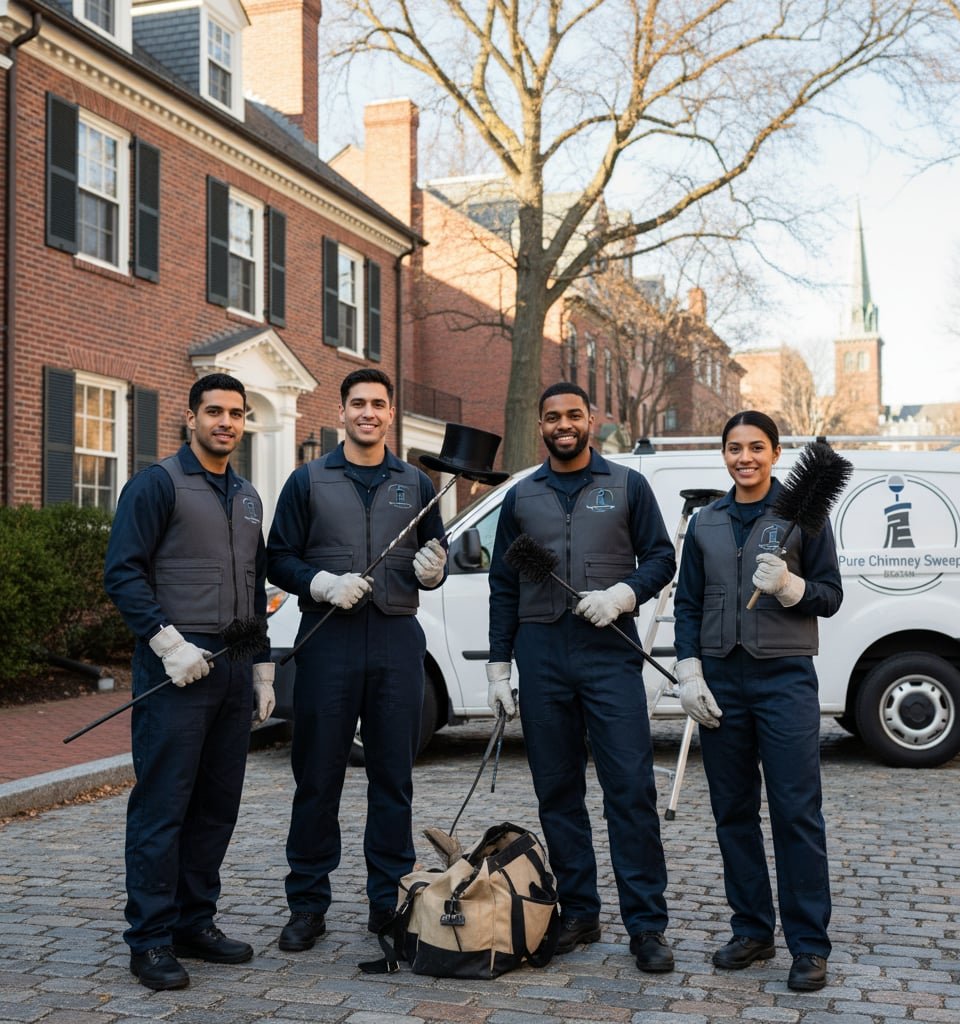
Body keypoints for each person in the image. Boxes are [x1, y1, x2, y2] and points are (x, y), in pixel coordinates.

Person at [487, 381, 676, 973]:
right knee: (558, 793)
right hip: (541, 656)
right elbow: (501, 584)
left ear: (591, 420)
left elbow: (662, 558)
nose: (563, 424)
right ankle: (580, 912)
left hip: (609, 653)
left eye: (573, 415)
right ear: (540, 426)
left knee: (630, 791)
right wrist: (499, 665)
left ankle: (646, 924)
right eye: (552, 417)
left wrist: (623, 595)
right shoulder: (522, 497)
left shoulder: (627, 486)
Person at [267, 367, 448, 952]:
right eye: (357, 403)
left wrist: (435, 569)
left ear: (390, 414)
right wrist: (319, 583)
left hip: (397, 642)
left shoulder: (417, 484)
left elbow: (434, 550)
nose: (368, 412)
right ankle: (307, 905)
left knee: (392, 780)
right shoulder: (308, 481)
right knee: (316, 778)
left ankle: (387, 903)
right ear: (340, 411)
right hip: (328, 640)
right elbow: (278, 558)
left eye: (378, 404)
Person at [104, 372, 274, 991]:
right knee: (163, 807)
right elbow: (123, 573)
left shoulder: (251, 497)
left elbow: (255, 586)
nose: (225, 422)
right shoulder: (156, 485)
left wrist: (261, 665)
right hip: (174, 671)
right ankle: (149, 939)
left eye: (235, 413)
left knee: (215, 808)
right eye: (214, 412)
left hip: (231, 670)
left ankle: (193, 923)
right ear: (191, 417)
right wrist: (166, 643)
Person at [672, 410, 843, 992]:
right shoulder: (706, 523)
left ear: (774, 453)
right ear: (724, 455)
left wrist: (793, 588)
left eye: (756, 448)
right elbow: (688, 603)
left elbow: (830, 596)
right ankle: (751, 929)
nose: (744, 458)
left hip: (785, 680)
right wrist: (689, 669)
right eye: (734, 448)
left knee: (796, 813)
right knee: (734, 813)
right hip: (722, 682)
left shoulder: (805, 518)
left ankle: (809, 945)